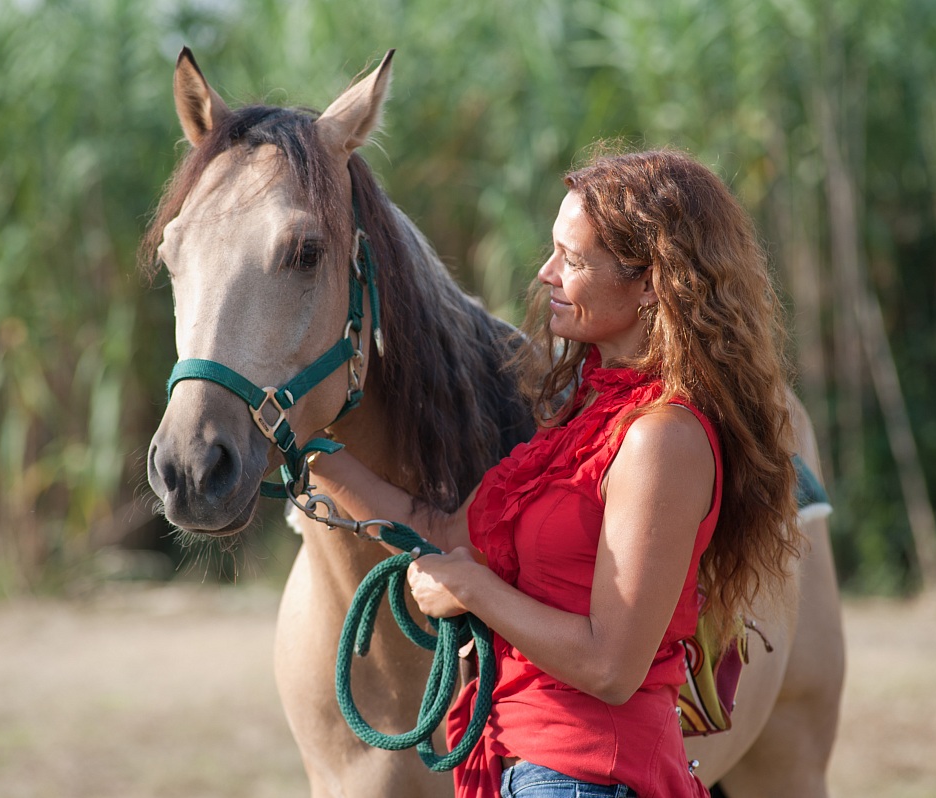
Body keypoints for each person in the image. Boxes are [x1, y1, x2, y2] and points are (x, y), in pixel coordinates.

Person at [309, 147, 801, 798]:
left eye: (571, 260)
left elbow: (609, 666)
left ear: (651, 281)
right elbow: (446, 533)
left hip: (586, 777)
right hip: (531, 767)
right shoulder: (581, 421)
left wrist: (473, 591)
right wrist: (312, 453)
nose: (545, 274)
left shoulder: (662, 439)